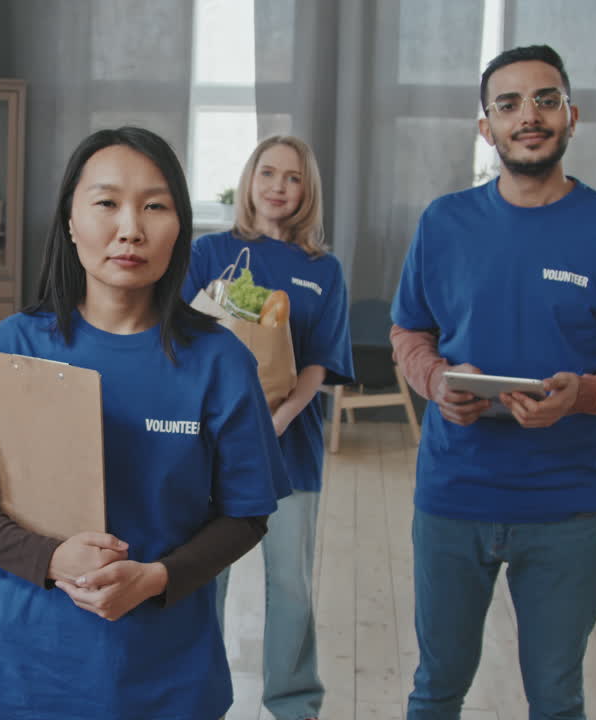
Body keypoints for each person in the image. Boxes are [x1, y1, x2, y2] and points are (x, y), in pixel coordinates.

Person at [0, 126, 289, 720]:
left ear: (180, 226)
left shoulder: (220, 363)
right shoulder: (11, 349)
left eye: (154, 206)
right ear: (70, 220)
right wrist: (49, 558)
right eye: (106, 203)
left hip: (169, 676)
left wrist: (155, 578)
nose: (130, 229)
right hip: (32, 668)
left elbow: (248, 513)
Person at [389, 46, 596, 719]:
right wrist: (435, 380)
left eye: (546, 100)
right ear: (485, 127)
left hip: (568, 507)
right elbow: (410, 333)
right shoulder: (444, 223)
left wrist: (586, 393)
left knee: (556, 698)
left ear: (572, 116)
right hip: (453, 497)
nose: (530, 115)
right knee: (436, 689)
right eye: (509, 103)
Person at [182, 135, 354, 720]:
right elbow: (181, 338)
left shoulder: (322, 270)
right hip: (212, 446)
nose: (278, 186)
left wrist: (279, 417)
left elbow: (318, 363)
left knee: (292, 584)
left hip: (291, 446)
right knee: (206, 578)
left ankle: (293, 702)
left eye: (293, 178)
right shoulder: (210, 254)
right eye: (268, 173)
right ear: (249, 181)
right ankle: (194, 695)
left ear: (308, 192)